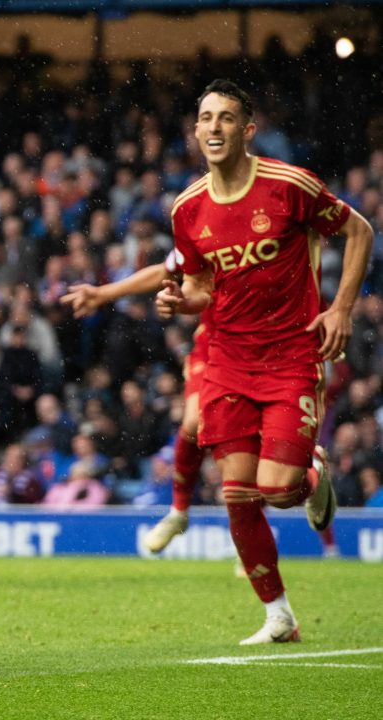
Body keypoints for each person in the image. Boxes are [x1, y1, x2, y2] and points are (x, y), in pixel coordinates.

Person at [155, 79, 372, 645]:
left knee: (277, 490)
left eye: (227, 118)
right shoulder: (187, 208)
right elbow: (202, 286)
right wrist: (181, 301)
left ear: (247, 130)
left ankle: (313, 474)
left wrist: (341, 309)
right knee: (237, 494)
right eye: (206, 118)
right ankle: (279, 615)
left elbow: (358, 230)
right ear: (196, 130)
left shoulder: (287, 186)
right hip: (227, 360)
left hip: (292, 354)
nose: (215, 128)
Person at [64, 253, 340, 555]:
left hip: (277, 349)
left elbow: (337, 241)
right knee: (195, 423)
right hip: (216, 346)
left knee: (267, 467)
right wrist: (104, 293)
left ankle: (308, 496)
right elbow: (168, 270)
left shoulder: (281, 227)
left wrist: (338, 312)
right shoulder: (205, 220)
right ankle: (179, 512)